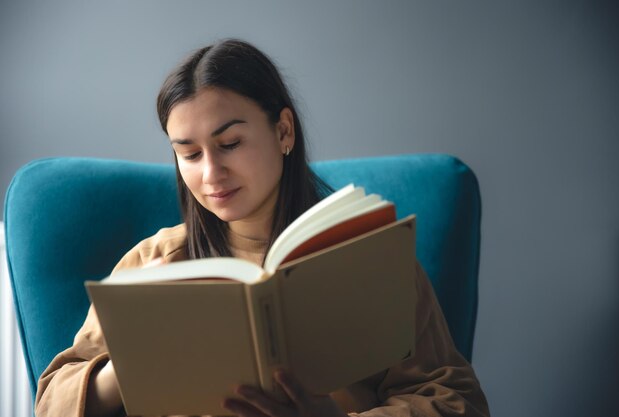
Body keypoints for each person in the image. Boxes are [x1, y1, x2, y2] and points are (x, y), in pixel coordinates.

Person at [35, 38, 490, 417]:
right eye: (189, 154)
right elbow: (52, 402)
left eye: (230, 143)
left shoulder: (368, 257)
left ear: (284, 131)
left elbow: (456, 401)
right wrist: (132, 363)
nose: (210, 173)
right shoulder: (156, 263)